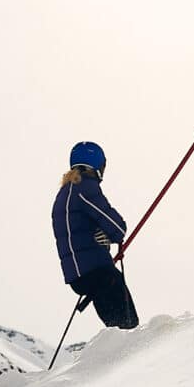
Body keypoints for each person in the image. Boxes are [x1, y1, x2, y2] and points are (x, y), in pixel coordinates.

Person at [51, 141, 139, 330]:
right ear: (97, 165)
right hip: (98, 272)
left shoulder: (64, 193)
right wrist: (109, 235)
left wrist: (100, 239)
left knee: (116, 330)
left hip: (80, 276)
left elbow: (78, 229)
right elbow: (117, 227)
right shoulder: (85, 188)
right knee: (129, 330)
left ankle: (118, 356)